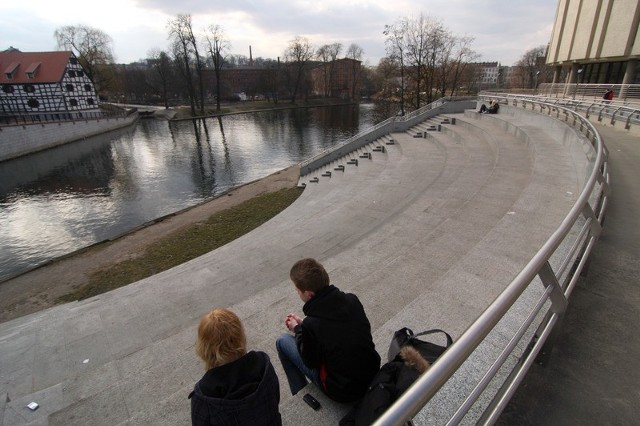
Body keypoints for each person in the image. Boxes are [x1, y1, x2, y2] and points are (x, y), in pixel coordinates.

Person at [276, 258, 381, 403]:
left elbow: (310, 362)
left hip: (343, 390)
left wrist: (299, 329)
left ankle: (301, 397)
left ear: (309, 294)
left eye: (297, 290)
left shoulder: (311, 325)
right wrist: (303, 327)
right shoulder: (352, 300)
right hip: (372, 372)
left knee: (282, 341)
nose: (297, 292)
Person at [189, 308, 282, 426]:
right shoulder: (263, 365)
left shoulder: (203, 397)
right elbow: (275, 399)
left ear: (204, 347)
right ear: (240, 335)